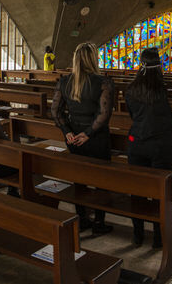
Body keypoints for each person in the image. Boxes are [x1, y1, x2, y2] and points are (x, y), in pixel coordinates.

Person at [51, 42, 113, 234]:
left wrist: (67, 131)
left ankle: (82, 218)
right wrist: (88, 133)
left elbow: (55, 111)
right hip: (95, 137)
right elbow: (104, 114)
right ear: (93, 58)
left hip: (73, 138)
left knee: (79, 178)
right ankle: (99, 222)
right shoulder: (103, 82)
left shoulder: (64, 81)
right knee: (101, 181)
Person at [124, 47, 172, 247]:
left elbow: (133, 115)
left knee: (137, 189)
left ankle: (137, 234)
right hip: (160, 146)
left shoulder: (131, 89)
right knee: (160, 192)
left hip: (137, 142)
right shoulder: (160, 89)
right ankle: (158, 236)